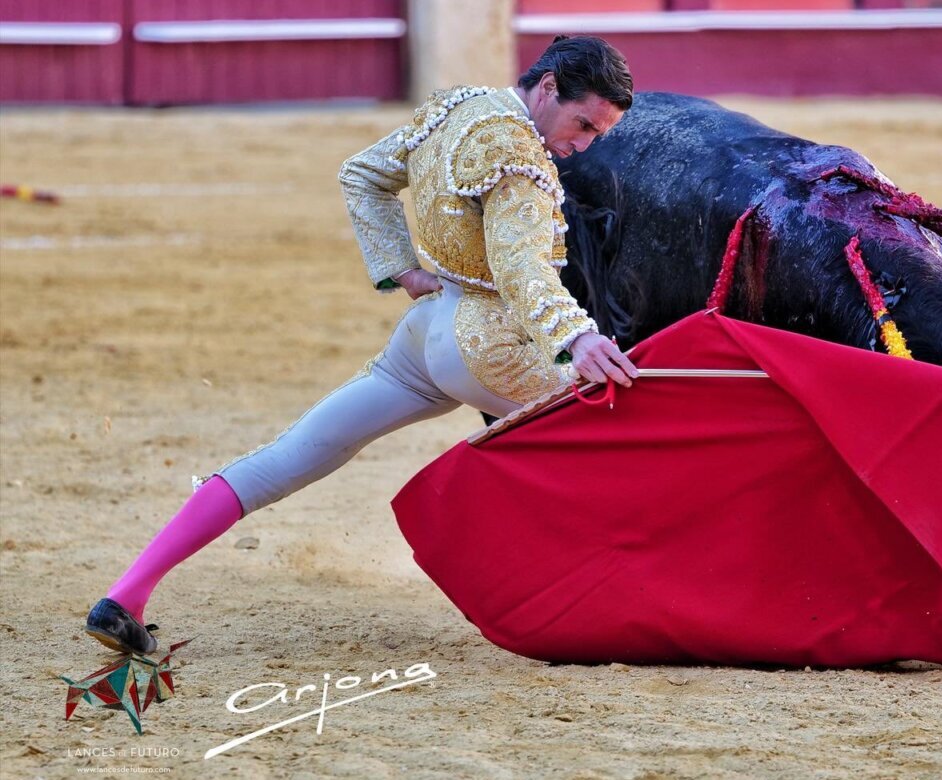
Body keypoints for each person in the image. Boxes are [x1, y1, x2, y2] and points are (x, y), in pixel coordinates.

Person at [85, 35, 640, 656]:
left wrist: (404, 268)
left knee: (291, 454)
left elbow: (364, 174)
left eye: (599, 133)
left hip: (428, 331)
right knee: (627, 436)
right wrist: (578, 335)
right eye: (582, 122)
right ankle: (598, 602)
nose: (583, 143)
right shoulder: (521, 159)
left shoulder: (462, 107)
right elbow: (522, 272)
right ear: (546, 89)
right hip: (490, 345)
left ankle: (126, 594)